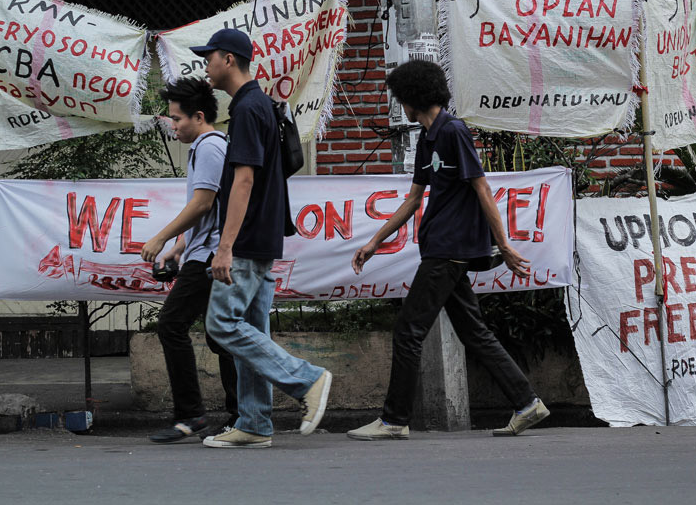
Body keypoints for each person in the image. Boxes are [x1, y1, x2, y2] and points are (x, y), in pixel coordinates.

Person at [346, 60, 549, 441]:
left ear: (412, 97)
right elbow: (412, 199)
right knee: (474, 331)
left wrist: (502, 244)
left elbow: (482, 187)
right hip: (440, 247)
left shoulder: (453, 131)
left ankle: (393, 420)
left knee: (408, 330)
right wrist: (374, 242)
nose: (397, 104)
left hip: (449, 248)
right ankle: (527, 403)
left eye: (399, 97)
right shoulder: (428, 137)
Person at [189, 28, 332, 449]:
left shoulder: (249, 110)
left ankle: (308, 379)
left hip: (249, 240)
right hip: (265, 237)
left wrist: (226, 245)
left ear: (228, 59)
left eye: (209, 57)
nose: (206, 65)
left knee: (222, 324)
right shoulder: (259, 105)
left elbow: (244, 181)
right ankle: (254, 423)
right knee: (251, 331)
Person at [140, 77, 238, 443]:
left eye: (178, 119)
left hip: (210, 255)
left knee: (172, 324)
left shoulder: (209, 146)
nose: (173, 125)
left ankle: (193, 416)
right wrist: (180, 247)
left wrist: (162, 236)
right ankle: (240, 414)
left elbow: (203, 203)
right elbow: (207, 209)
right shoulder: (209, 145)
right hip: (202, 251)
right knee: (221, 336)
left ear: (199, 116)